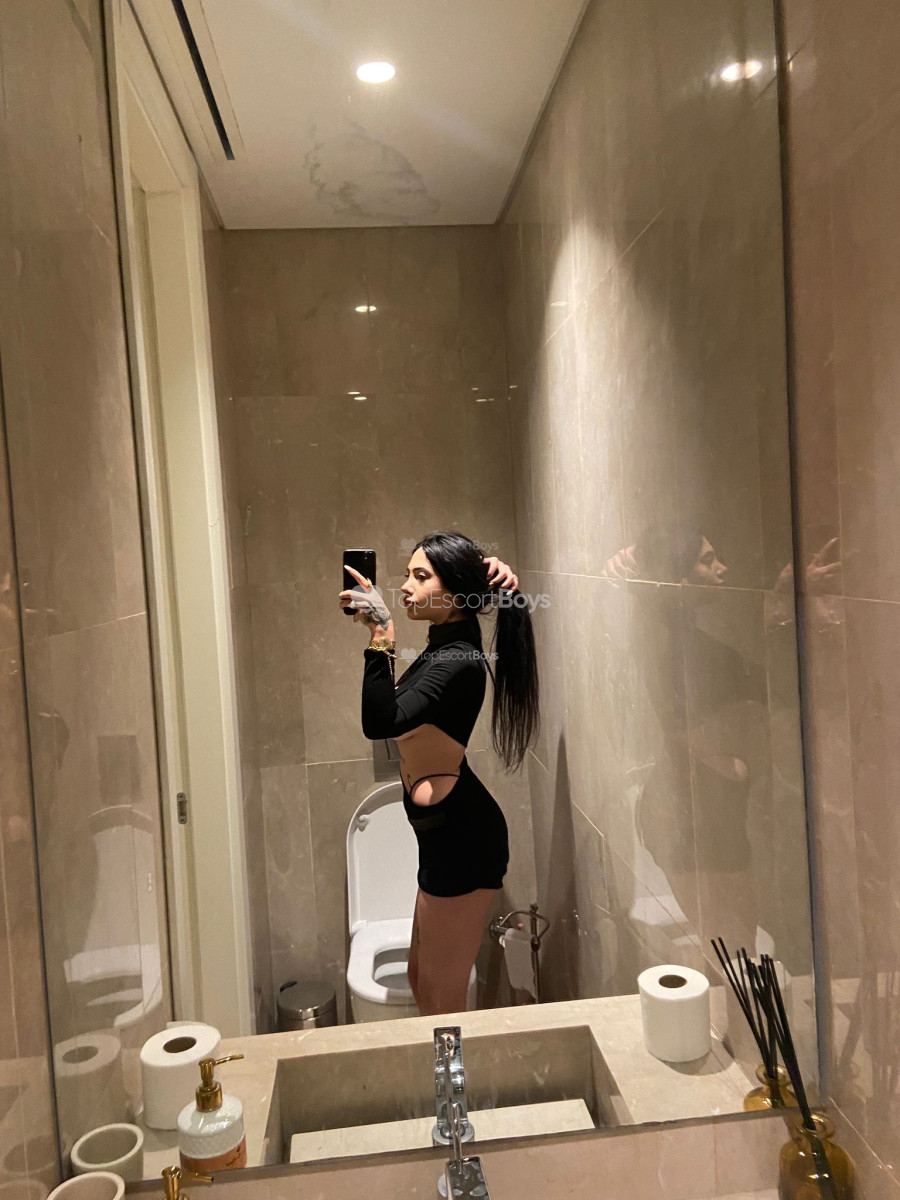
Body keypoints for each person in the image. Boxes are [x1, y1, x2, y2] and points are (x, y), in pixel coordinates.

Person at [338, 531, 540, 1016]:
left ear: (454, 593)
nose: (404, 587)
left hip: (465, 846)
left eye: (420, 576)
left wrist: (382, 635)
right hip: (442, 840)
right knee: (419, 981)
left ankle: (456, 1071)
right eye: (407, 574)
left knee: (442, 1000)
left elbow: (380, 722)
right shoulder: (442, 648)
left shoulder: (459, 662)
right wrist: (483, 570)